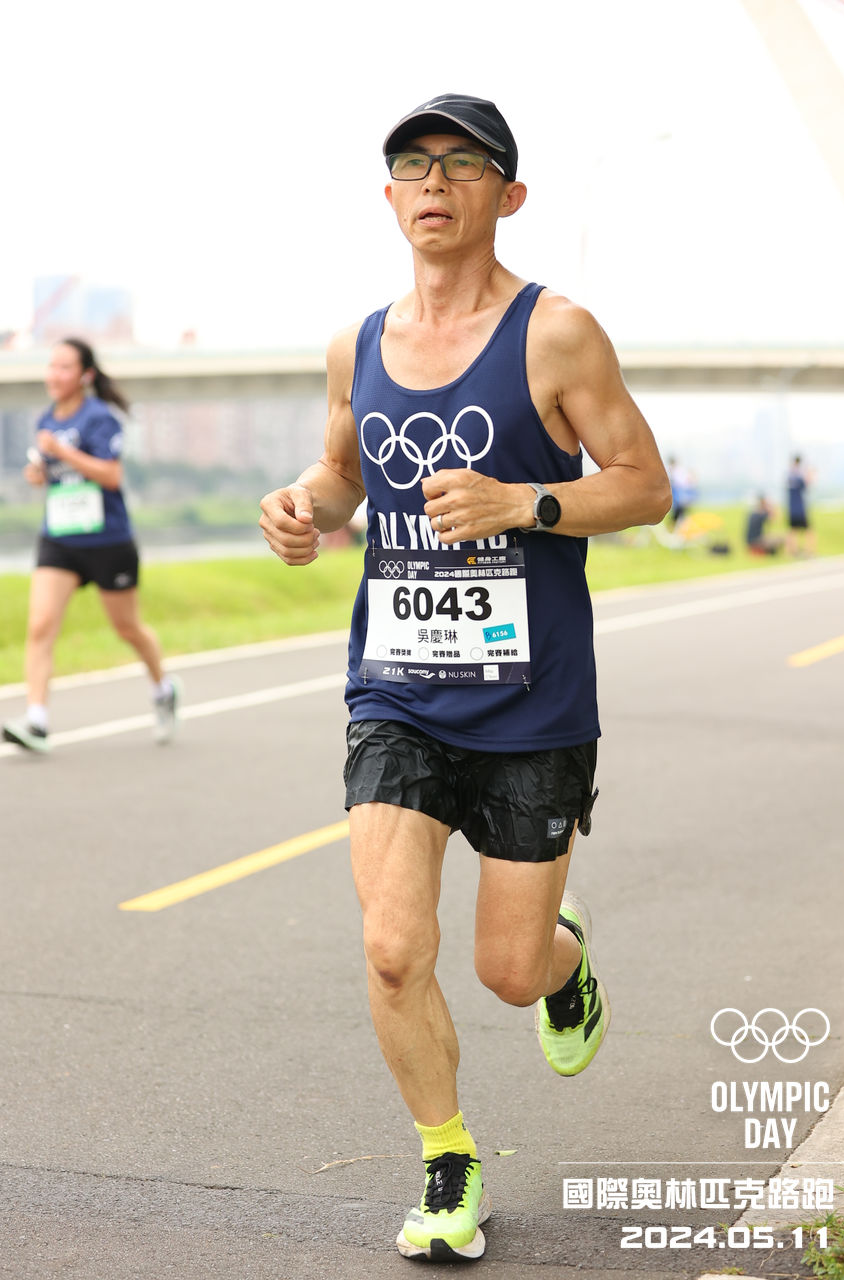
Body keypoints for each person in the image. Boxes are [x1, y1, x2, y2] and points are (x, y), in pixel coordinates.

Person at [260, 93, 671, 1262]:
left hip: (533, 702)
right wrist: (300, 507)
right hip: (396, 690)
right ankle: (447, 1156)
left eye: (462, 162)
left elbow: (643, 484)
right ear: (390, 196)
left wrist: (524, 502)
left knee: (504, 970)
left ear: (509, 193)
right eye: (412, 163)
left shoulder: (557, 334)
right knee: (394, 946)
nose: (433, 180)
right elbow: (343, 472)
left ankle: (561, 960)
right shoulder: (355, 344)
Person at [2, 338, 180, 753]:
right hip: (60, 538)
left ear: (85, 375)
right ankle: (37, 721)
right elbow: (56, 473)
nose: (54, 375)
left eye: (64, 367)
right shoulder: (46, 419)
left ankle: (163, 690)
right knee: (40, 625)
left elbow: (111, 475)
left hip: (107, 539)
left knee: (127, 628)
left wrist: (61, 451)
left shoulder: (100, 417)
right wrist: (39, 473)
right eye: (51, 366)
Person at [785, 454, 816, 556]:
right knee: (809, 530)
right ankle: (809, 551)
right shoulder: (799, 476)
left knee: (792, 530)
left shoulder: (789, 475)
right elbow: (807, 484)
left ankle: (792, 552)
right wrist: (810, 473)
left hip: (792, 508)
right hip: (800, 509)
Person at [666, 456, 696, 527]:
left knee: (680, 511)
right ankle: (678, 525)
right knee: (679, 511)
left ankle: (678, 525)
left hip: (680, 493)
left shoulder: (676, 470)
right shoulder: (676, 470)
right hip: (679, 493)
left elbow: (680, 482)